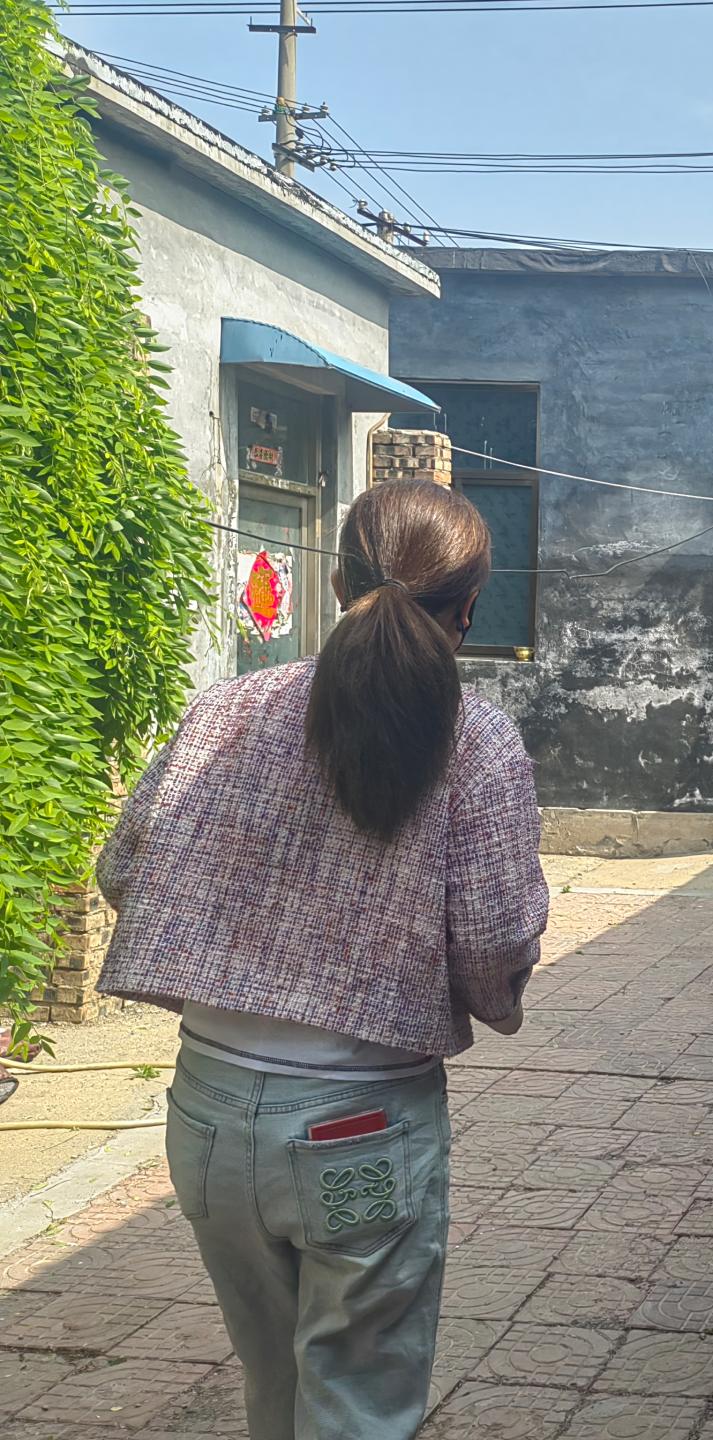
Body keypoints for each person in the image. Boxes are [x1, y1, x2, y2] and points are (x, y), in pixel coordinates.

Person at [97, 479, 549, 1440]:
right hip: (363, 1125)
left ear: (337, 581)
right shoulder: (476, 742)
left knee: (275, 1385)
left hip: (207, 1115)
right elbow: (494, 941)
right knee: (356, 1407)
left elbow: (124, 868)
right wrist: (491, 995)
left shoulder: (228, 709)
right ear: (470, 608)